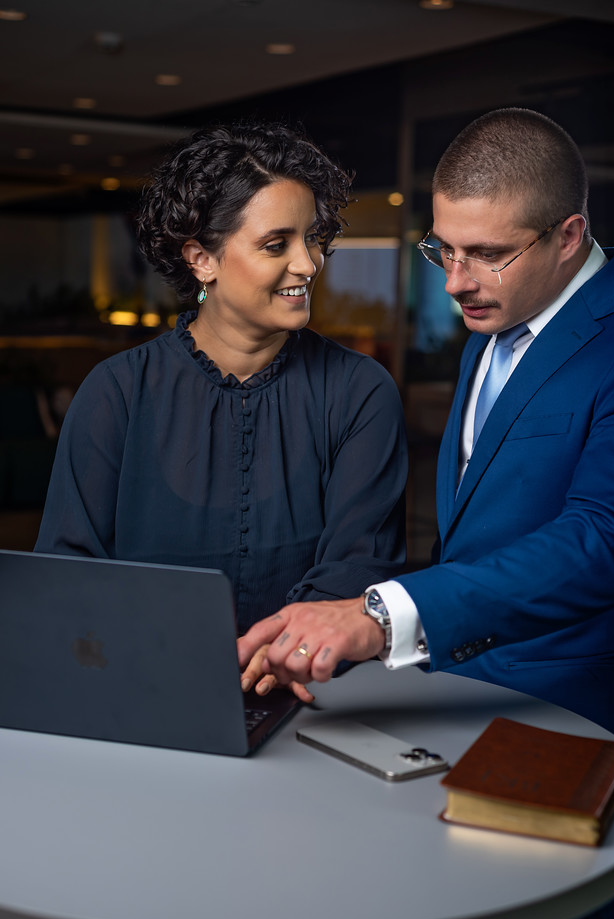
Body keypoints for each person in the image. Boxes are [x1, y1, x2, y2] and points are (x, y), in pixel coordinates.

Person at [239, 108, 614, 919]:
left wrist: (381, 615)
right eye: (442, 250)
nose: (456, 282)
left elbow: (604, 539)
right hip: (463, 709)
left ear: (568, 236)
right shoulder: (494, 318)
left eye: (486, 253)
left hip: (579, 729)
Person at [35, 119, 407, 700]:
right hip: (139, 692)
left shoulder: (361, 391)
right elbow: (68, 573)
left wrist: (279, 655)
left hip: (314, 696)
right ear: (201, 259)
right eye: (276, 244)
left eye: (312, 238)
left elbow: (359, 567)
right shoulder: (115, 393)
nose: (308, 264)